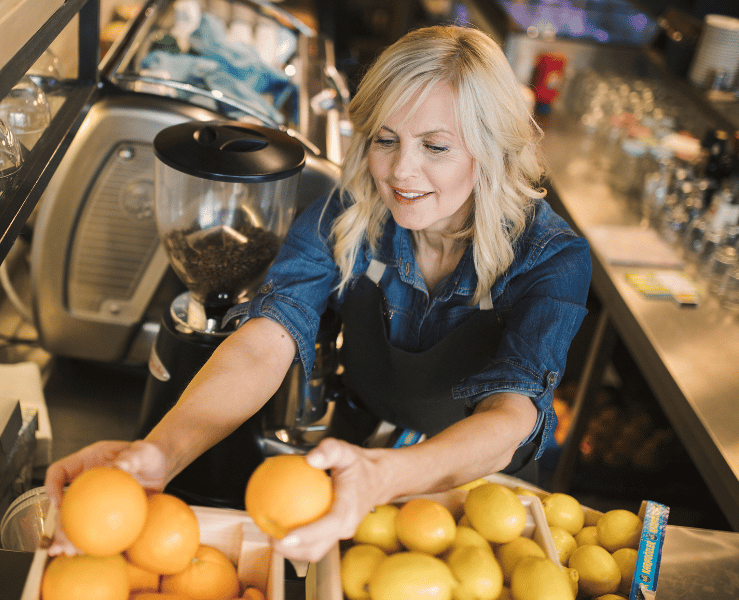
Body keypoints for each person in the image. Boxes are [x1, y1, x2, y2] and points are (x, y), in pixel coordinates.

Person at [45, 25, 591, 563]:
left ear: (490, 149)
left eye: (436, 147)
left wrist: (383, 478)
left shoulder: (550, 259)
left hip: (481, 501)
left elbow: (512, 415)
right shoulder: (348, 215)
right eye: (385, 139)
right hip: (362, 455)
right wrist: (159, 456)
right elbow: (268, 339)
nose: (402, 171)